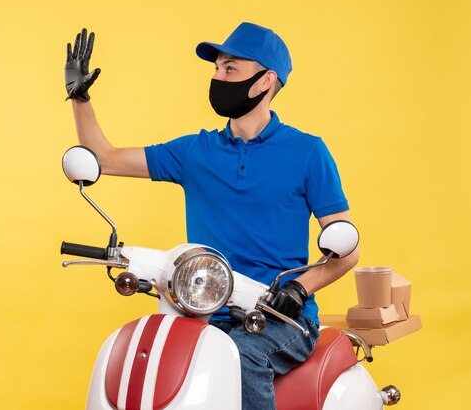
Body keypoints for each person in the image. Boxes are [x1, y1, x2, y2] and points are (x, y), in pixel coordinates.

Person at [64, 22, 359, 410]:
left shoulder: (307, 152)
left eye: (230, 69)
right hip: (202, 309)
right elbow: (104, 158)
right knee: (149, 353)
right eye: (216, 69)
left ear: (265, 81)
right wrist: (80, 98)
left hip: (278, 316)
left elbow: (346, 250)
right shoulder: (195, 152)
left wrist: (299, 289)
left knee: (242, 357)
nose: (218, 77)